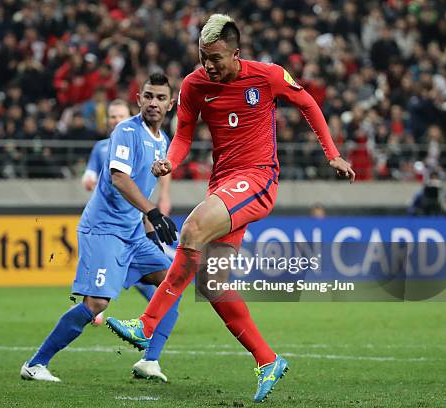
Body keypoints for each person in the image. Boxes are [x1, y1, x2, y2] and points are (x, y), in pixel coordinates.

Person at [105, 14, 355, 403]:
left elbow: (308, 104)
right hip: (223, 184)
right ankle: (267, 359)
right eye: (204, 57)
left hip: (258, 179)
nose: (209, 65)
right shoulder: (193, 85)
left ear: (236, 53)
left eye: (217, 58)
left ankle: (147, 324)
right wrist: (172, 159)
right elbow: (184, 133)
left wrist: (333, 154)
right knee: (212, 282)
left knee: (191, 229)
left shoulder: (267, 76)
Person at [21, 73, 181, 383]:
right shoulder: (125, 131)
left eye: (160, 98)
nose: (153, 102)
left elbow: (144, 188)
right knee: (96, 304)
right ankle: (35, 364)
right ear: (139, 99)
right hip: (104, 230)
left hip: (133, 232)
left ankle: (150, 361)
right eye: (148, 95)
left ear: (170, 104)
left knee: (171, 284)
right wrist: (152, 211)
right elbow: (121, 179)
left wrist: (149, 227)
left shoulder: (163, 141)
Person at [81, 99, 171, 322]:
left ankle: (152, 320)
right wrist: (90, 181)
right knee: (103, 289)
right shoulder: (101, 147)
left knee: (160, 275)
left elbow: (151, 183)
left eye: (120, 116)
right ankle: (97, 307)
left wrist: (161, 200)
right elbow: (90, 176)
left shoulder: (143, 139)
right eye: (112, 116)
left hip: (135, 221)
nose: (116, 120)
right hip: (106, 222)